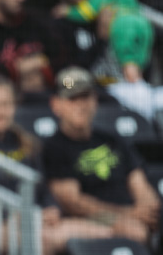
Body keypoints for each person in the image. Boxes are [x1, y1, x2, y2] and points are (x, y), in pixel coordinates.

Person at [0, 74, 110, 255]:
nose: (0, 111)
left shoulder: (26, 142)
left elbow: (43, 188)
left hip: (35, 221)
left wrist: (52, 209)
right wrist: (16, 217)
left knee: (107, 233)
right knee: (40, 242)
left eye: (6, 104)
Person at [44, 65, 160, 243]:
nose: (81, 105)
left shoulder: (111, 139)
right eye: (72, 99)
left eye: (85, 97)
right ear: (56, 104)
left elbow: (138, 181)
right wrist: (128, 214)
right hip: (92, 221)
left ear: (94, 100)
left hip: (133, 215)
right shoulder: (54, 147)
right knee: (134, 231)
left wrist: (149, 210)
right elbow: (72, 202)